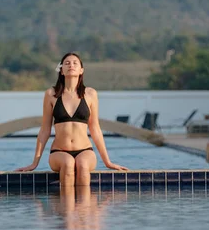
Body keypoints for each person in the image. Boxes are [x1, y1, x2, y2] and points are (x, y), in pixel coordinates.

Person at [16, 52, 127, 186]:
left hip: (85, 150)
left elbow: (95, 129)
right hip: (59, 152)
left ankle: (84, 206)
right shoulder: (51, 94)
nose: (71, 65)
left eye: (75, 63)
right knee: (68, 164)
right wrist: (35, 163)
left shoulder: (90, 94)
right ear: (61, 70)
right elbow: (45, 129)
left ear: (81, 70)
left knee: (83, 164)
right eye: (67, 63)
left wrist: (108, 162)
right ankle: (67, 206)